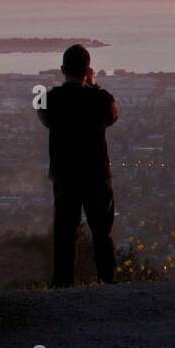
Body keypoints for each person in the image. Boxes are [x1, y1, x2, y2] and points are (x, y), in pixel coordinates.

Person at [37, 44, 119, 287]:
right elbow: (112, 116)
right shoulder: (101, 100)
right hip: (96, 175)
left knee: (64, 232)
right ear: (88, 69)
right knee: (101, 232)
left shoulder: (49, 100)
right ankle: (107, 279)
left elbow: (45, 119)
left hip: (65, 176)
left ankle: (62, 282)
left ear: (62, 69)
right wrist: (92, 85)